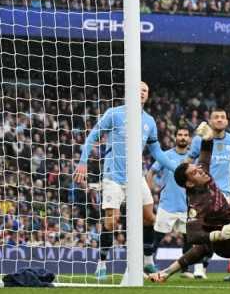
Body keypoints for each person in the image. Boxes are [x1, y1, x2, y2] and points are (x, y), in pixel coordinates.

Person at [74, 82, 175, 281]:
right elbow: (93, 136)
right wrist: (83, 161)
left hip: (136, 177)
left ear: (148, 95)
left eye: (145, 90)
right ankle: (102, 263)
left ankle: (147, 260)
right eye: (138, 89)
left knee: (149, 217)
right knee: (112, 221)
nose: (142, 93)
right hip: (113, 176)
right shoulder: (115, 113)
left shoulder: (149, 121)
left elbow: (156, 153)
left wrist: (176, 168)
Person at [148, 124, 230, 283]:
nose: (200, 170)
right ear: (189, 184)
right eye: (194, 172)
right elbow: (193, 236)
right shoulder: (196, 204)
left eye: (197, 168)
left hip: (229, 232)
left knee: (203, 249)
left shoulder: (202, 175)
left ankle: (166, 273)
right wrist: (219, 234)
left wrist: (207, 139)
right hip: (228, 241)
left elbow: (205, 156)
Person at [184, 108, 230, 278]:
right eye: (216, 117)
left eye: (223, 117)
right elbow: (188, 161)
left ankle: (211, 267)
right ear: (210, 121)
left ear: (228, 121)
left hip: (224, 194)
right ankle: (199, 268)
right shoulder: (200, 140)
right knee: (203, 229)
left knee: (223, 233)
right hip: (203, 194)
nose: (220, 120)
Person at [146, 127, 191, 277]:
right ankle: (147, 264)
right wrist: (151, 192)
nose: (183, 137)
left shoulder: (193, 158)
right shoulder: (166, 155)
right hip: (167, 205)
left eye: (185, 135)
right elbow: (151, 172)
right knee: (157, 237)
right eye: (180, 134)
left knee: (189, 239)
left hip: (187, 206)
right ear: (175, 137)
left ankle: (185, 270)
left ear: (189, 139)